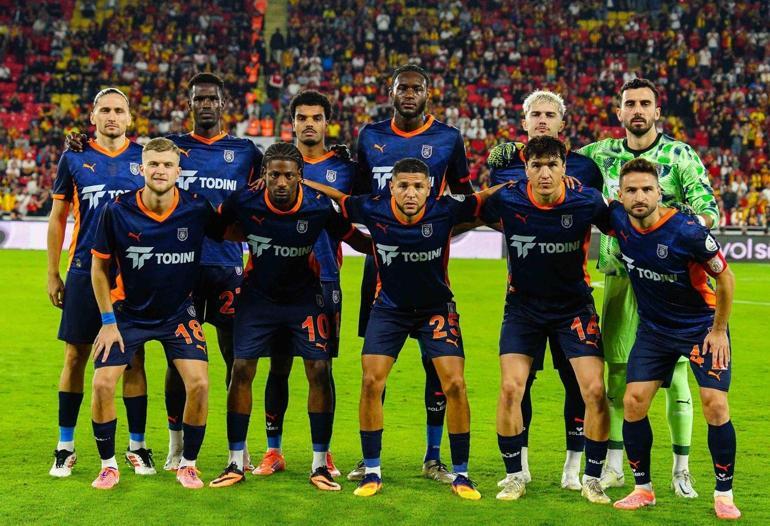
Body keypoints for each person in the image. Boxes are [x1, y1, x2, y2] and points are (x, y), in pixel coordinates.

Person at [65, 73, 264, 471]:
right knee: (179, 361)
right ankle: (176, 446)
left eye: (212, 99)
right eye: (198, 99)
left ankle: (237, 449)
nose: (205, 105)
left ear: (223, 104)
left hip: (226, 267)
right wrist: (81, 141)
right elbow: (122, 152)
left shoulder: (246, 151)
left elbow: (267, 187)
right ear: (189, 104)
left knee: (237, 360)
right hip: (179, 272)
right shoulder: (171, 147)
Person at [304, 157, 506, 500]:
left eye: (417, 186)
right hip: (390, 309)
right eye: (403, 186)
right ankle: (372, 471)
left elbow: (483, 197)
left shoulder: (446, 209)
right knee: (371, 381)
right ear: (391, 187)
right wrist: (307, 184)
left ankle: (461, 474)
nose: (410, 193)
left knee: (455, 384)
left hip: (435, 309)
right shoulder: (372, 208)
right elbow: (339, 198)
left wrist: (515, 183)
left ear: (429, 189)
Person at [579, 78, 719, 495]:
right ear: (619, 112)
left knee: (677, 378)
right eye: (630, 104)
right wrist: (519, 152)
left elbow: (708, 207)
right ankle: (616, 467)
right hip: (622, 277)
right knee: (618, 375)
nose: (637, 110)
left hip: (672, 283)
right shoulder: (599, 154)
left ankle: (681, 470)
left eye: (645, 103)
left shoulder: (680, 155)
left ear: (657, 111)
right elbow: (552, 162)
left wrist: (679, 238)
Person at [209, 143, 370, 491]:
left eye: (288, 176)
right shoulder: (244, 201)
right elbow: (215, 229)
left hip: (304, 299)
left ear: (300, 177)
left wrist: (399, 243)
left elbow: (355, 239)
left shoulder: (318, 206)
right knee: (241, 369)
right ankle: (235, 462)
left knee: (319, 371)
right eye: (274, 175)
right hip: (258, 300)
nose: (281, 182)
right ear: (263, 176)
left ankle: (320, 464)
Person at [348, 63, 474, 483]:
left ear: (427, 94)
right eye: (402, 88)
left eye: (416, 89)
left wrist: (436, 234)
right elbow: (359, 197)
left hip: (429, 263)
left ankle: (434, 457)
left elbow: (464, 198)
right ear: (391, 92)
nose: (408, 94)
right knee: (375, 367)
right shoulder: (369, 136)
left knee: (436, 366)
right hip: (381, 264)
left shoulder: (448, 138)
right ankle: (369, 459)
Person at [606, 158, 740, 520]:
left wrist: (718, 330)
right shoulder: (617, 219)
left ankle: (724, 494)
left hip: (700, 327)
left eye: (647, 189)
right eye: (631, 190)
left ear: (659, 192)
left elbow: (726, 278)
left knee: (715, 405)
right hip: (654, 330)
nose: (639, 196)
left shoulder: (687, 232)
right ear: (620, 194)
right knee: (633, 402)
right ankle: (643, 489)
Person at [89, 137, 225, 489]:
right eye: (153, 164)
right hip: (127, 314)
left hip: (178, 314)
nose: (160, 171)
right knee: (102, 384)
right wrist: (107, 322)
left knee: (200, 384)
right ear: (141, 168)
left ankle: (188, 464)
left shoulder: (197, 207)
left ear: (179, 171)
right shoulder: (117, 210)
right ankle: (108, 465)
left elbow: (233, 231)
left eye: (167, 165)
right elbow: (98, 268)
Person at [481, 136, 611, 504]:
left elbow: (625, 227)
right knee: (511, 388)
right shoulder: (507, 198)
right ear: (526, 169)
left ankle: (592, 478)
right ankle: (513, 476)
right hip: (523, 309)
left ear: (564, 168)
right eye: (536, 165)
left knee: (594, 391)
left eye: (552, 165)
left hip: (574, 308)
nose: (544, 173)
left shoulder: (587, 200)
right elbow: (465, 212)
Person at [47, 87, 152, 478]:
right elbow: (58, 217)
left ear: (129, 118)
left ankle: (137, 446)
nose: (112, 116)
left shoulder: (143, 158)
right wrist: (52, 272)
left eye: (119, 110)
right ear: (92, 117)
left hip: (132, 273)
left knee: (134, 358)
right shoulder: (74, 157)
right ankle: (65, 446)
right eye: (105, 110)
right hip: (83, 270)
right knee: (75, 356)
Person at [253, 90, 355, 478]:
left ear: (327, 123)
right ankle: (273, 450)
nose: (309, 123)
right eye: (302, 117)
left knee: (320, 369)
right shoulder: (272, 164)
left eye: (316, 117)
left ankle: (322, 454)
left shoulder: (345, 167)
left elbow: (362, 207)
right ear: (292, 123)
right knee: (278, 367)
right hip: (275, 280)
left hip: (323, 279)